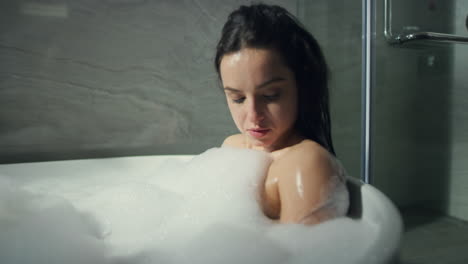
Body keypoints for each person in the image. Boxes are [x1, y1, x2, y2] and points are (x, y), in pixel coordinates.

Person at [214, 3, 349, 225]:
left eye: (270, 95)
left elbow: (304, 254)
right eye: (238, 98)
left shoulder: (306, 164)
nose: (253, 116)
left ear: (302, 86)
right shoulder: (232, 147)